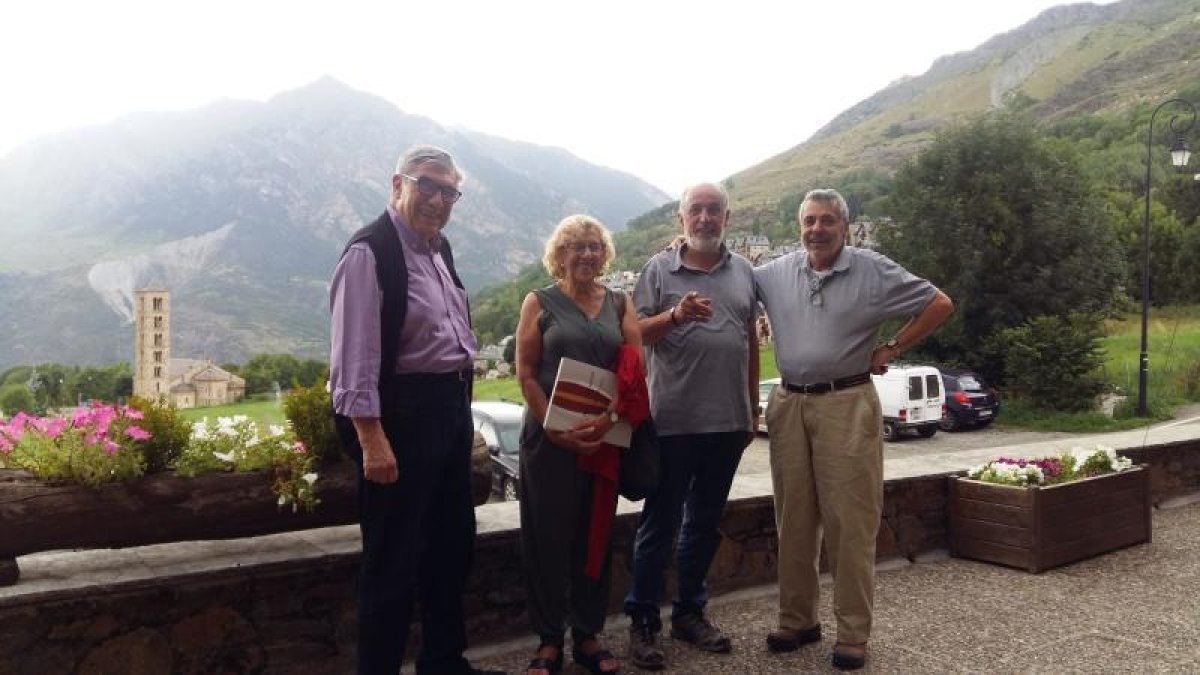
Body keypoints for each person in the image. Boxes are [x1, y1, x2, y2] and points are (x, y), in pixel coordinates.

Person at [753, 188, 953, 671]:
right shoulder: (774, 273)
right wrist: (679, 249)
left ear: (844, 226)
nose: (816, 229)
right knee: (793, 519)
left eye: (826, 221)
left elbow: (939, 303)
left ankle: (852, 633)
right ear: (799, 226)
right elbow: (726, 277)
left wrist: (892, 348)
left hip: (847, 403)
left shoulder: (872, 270)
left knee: (850, 524)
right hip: (788, 404)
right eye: (809, 221)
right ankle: (797, 619)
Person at [329, 144, 503, 675]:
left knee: (452, 548)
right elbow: (354, 358)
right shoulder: (369, 252)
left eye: (448, 190)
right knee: (392, 562)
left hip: (448, 413)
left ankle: (444, 663)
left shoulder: (438, 249)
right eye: (426, 185)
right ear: (397, 184)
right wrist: (371, 440)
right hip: (401, 421)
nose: (437, 199)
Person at [622, 183, 758, 670]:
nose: (704, 218)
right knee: (660, 524)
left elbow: (750, 340)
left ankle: (689, 613)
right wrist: (676, 316)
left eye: (713, 210)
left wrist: (751, 408)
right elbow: (633, 334)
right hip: (672, 421)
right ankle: (642, 620)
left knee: (703, 523)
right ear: (681, 219)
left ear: (727, 215)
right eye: (695, 210)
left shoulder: (744, 272)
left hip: (726, 421)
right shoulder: (659, 269)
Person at [514, 214, 641, 675]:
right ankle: (549, 641)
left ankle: (587, 635)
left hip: (602, 440)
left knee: (595, 538)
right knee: (545, 540)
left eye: (593, 246)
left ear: (604, 253)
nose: (586, 254)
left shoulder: (621, 303)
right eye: (575, 246)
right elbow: (525, 372)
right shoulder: (539, 302)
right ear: (559, 254)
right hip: (548, 442)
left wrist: (608, 420)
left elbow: (634, 372)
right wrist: (551, 424)